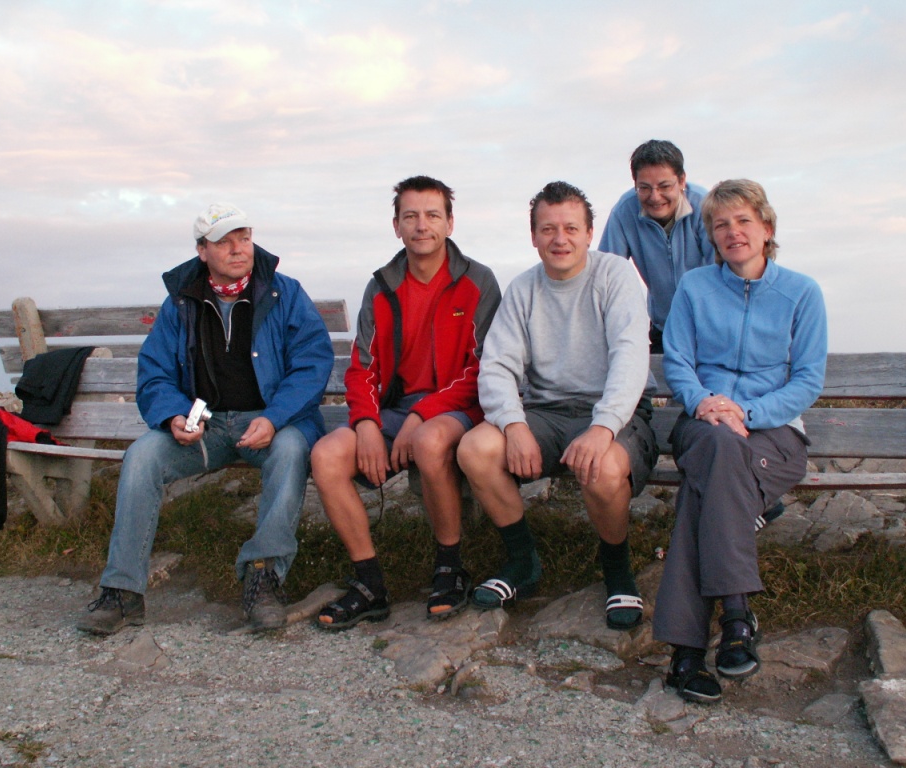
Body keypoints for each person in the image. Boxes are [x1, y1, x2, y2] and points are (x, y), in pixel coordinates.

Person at [77, 203, 334, 635]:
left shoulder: (285, 293)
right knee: (142, 456)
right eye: (225, 242)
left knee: (291, 450)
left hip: (270, 425)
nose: (238, 249)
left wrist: (274, 418)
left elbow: (312, 363)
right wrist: (172, 416)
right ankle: (121, 592)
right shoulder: (181, 301)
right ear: (202, 251)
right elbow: (155, 371)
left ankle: (263, 578)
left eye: (244, 238)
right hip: (205, 428)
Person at [653, 179, 827, 703]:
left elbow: (807, 380)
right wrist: (706, 402)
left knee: (704, 494)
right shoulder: (695, 287)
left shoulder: (802, 292)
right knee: (721, 453)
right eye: (721, 224)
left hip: (775, 434)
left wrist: (747, 411)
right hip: (703, 424)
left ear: (766, 228)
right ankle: (735, 618)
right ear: (711, 235)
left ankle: (686, 655)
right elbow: (677, 360)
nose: (733, 232)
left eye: (744, 220)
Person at [457, 181, 658, 630]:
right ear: (534, 236)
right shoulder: (523, 288)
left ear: (589, 233)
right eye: (548, 229)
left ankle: (617, 569)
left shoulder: (615, 276)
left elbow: (630, 357)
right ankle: (522, 561)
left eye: (570, 228)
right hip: (546, 412)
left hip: (616, 412)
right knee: (475, 449)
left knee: (603, 468)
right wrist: (513, 425)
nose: (559, 239)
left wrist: (603, 428)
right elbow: (497, 365)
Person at [312, 175, 501, 630]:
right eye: (410, 216)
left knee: (430, 441)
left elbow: (484, 370)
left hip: (459, 407)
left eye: (433, 215)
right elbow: (362, 367)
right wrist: (366, 424)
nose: (422, 225)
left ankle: (449, 567)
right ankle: (370, 584)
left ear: (450, 223)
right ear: (396, 225)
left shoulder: (477, 282)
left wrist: (422, 415)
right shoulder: (382, 286)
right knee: (326, 456)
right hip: (395, 411)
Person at [598, 139, 715, 352]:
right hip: (663, 328)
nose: (655, 197)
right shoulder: (624, 211)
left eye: (664, 186)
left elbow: (721, 269)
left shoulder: (705, 206)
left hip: (710, 327)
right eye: (644, 188)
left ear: (682, 181)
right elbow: (606, 275)